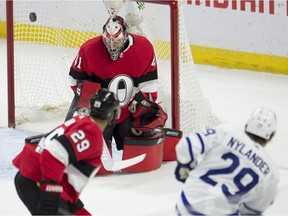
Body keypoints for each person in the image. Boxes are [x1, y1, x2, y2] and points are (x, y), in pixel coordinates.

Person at [66, 15, 166, 152]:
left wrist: (141, 106)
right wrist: (92, 104)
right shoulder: (89, 49)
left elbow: (149, 84)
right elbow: (75, 80)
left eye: (116, 41)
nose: (112, 45)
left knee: (144, 131)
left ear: (125, 36)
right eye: (108, 40)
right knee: (76, 134)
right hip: (100, 112)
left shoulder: (144, 48)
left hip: (129, 109)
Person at [13, 89, 120, 215]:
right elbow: (54, 152)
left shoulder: (81, 121)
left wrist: (74, 205)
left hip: (33, 178)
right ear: (113, 115)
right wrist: (50, 187)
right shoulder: (92, 133)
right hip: (38, 181)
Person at [174, 107, 280, 215]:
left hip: (188, 204)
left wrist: (184, 168)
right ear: (271, 136)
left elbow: (187, 144)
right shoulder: (272, 172)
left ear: (247, 126)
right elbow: (252, 210)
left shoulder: (228, 132)